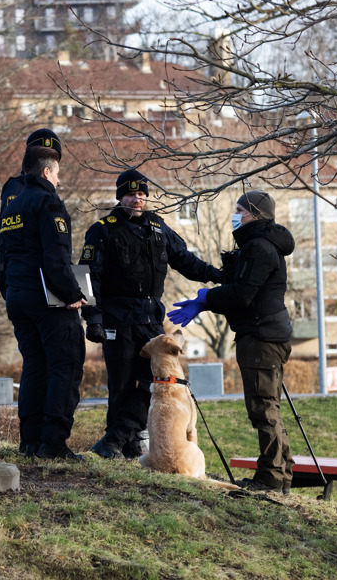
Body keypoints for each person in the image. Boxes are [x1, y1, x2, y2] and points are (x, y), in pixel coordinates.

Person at [80, 168, 223, 460]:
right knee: (120, 386)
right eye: (132, 195)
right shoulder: (103, 229)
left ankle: (114, 440)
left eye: (142, 195)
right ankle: (124, 447)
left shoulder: (157, 227)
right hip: (116, 319)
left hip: (150, 322)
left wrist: (217, 275)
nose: (138, 200)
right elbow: (87, 276)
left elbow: (184, 259)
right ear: (120, 197)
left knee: (155, 383)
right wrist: (92, 317)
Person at [169, 190, 296, 492]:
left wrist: (207, 298)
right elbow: (238, 285)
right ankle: (279, 473)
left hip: (261, 335)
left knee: (263, 408)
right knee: (268, 407)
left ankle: (272, 479)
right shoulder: (257, 246)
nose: (235, 214)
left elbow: (242, 293)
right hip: (264, 332)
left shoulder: (260, 248)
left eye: (240, 209)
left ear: (255, 213)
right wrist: (208, 297)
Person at [0, 133, 86, 461]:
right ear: (47, 172)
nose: (60, 180)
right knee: (66, 364)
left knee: (34, 365)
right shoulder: (48, 202)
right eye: (58, 173)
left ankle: (30, 441)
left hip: (17, 296)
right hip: (47, 298)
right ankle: (54, 443)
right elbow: (55, 258)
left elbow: (2, 254)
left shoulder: (13, 202)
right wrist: (73, 294)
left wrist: (9, 291)